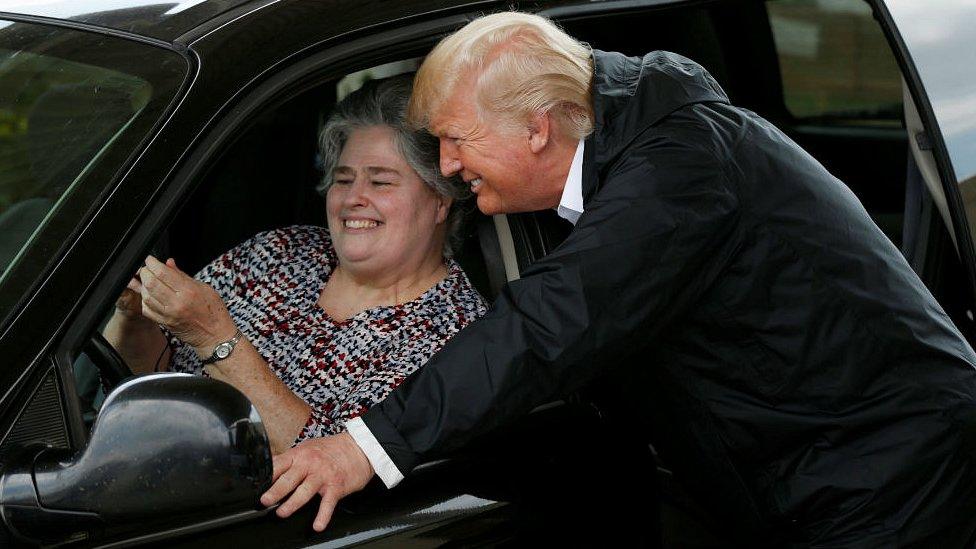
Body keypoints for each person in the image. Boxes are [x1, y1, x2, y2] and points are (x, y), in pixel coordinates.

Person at [261, 12, 976, 546]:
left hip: (895, 479)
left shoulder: (680, 172)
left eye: (456, 139)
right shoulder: (619, 137)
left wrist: (364, 444)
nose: (446, 165)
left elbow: (549, 322)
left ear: (537, 129)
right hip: (797, 475)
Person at [103, 75, 487, 454]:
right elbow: (148, 385)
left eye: (380, 182)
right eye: (343, 179)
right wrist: (137, 318)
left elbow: (333, 465)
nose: (352, 198)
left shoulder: (456, 333)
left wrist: (217, 339)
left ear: (441, 200)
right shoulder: (280, 250)